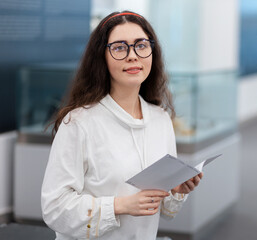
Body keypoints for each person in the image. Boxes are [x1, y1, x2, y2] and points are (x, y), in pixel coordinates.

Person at [41, 11, 203, 240]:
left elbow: (164, 211)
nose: (133, 56)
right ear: (102, 57)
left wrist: (175, 192)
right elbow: (54, 208)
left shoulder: (160, 119)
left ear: (152, 52)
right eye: (119, 47)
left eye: (141, 45)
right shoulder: (79, 123)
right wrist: (120, 206)